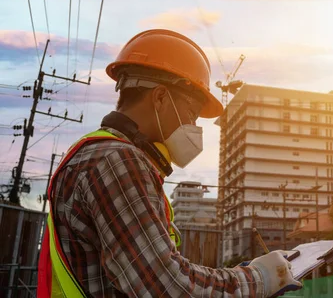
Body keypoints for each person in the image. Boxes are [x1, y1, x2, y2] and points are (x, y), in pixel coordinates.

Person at [37, 29, 302, 297]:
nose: (194, 127)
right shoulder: (117, 161)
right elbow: (167, 286)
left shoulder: (100, 155)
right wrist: (260, 278)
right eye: (191, 113)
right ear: (161, 98)